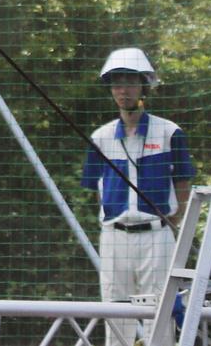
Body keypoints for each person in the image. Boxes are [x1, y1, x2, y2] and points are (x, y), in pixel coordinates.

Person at [79, 47, 193, 346]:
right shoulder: (101, 136)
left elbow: (183, 181)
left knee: (161, 310)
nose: (123, 90)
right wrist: (111, 220)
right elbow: (95, 187)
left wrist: (174, 218)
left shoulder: (169, 132)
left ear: (144, 86)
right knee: (115, 311)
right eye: (117, 83)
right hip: (115, 234)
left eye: (130, 82)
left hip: (157, 234)